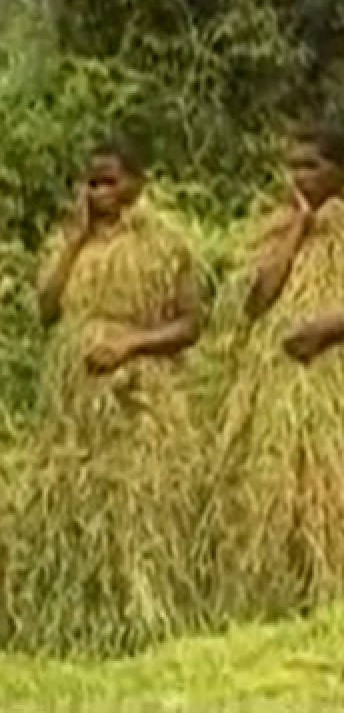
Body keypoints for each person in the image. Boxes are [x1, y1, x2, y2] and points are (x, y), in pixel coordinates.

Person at [209, 123, 344, 618]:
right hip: (278, 382)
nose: (301, 176)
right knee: (279, 484)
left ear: (342, 173)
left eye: (314, 165)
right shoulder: (273, 228)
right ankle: (280, 591)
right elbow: (258, 299)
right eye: (294, 166)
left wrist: (330, 330)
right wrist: (298, 230)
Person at [3, 136, 204, 656]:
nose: (99, 192)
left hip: (141, 397)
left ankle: (147, 614)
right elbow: (46, 311)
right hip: (72, 402)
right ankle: (69, 620)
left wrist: (131, 345)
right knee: (71, 496)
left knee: (137, 498)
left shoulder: (166, 246)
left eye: (110, 181)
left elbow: (190, 324)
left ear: (138, 184)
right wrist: (75, 240)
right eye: (91, 182)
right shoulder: (72, 243)